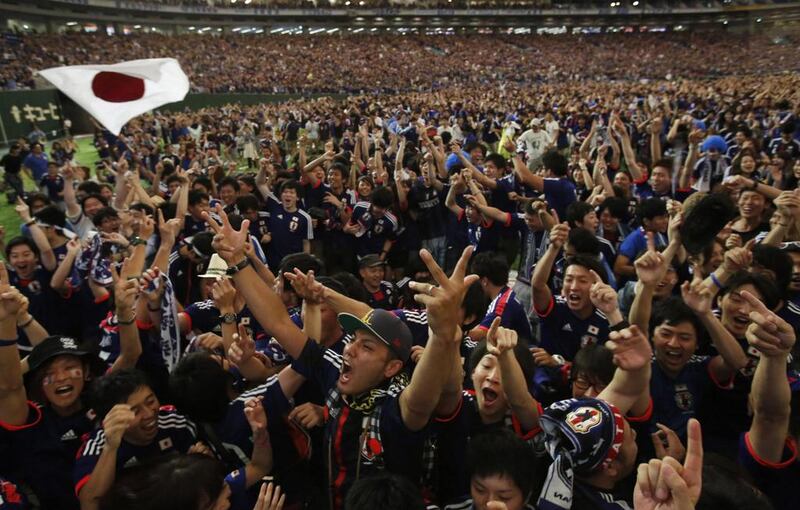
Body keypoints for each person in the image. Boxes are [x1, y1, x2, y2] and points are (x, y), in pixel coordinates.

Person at [202, 205, 478, 510]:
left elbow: (422, 398)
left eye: (367, 347)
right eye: (354, 340)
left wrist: (441, 334)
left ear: (393, 367)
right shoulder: (335, 373)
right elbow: (279, 323)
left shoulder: (395, 409)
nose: (349, 350)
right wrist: (239, 261)